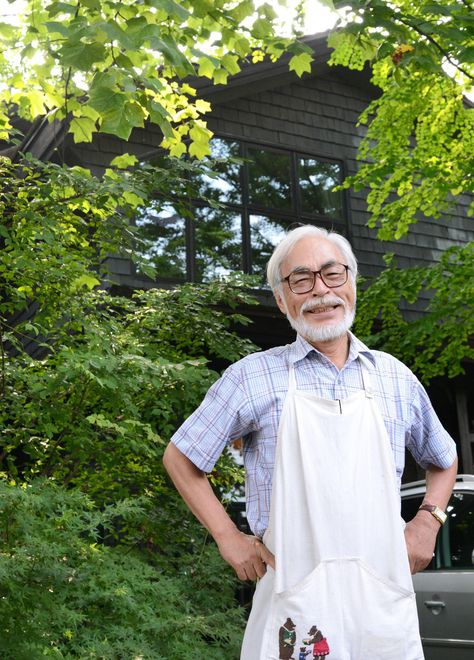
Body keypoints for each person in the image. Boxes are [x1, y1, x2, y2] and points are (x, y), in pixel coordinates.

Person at [163, 225, 458, 660]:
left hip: (381, 597)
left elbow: (443, 458)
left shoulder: (395, 377)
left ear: (351, 283)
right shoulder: (252, 377)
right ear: (283, 301)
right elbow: (182, 457)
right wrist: (227, 536)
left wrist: (427, 521)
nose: (320, 290)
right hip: (295, 594)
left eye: (332, 273)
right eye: (300, 279)